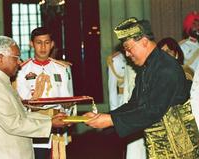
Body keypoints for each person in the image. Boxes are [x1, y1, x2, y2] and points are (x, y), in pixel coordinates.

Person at [84, 17, 198, 158]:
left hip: (178, 148)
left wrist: (110, 120)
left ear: (144, 42)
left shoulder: (166, 67)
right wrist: (105, 117)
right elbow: (135, 104)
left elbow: (152, 110)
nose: (127, 54)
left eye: (129, 48)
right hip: (160, 147)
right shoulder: (148, 67)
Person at [0, 35, 69, 159]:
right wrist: (50, 124)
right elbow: (14, 123)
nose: (20, 62)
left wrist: (51, 118)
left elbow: (21, 114)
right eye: (16, 58)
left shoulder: (0, 81)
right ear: (0, 58)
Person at [15, 27, 74, 159]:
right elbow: (23, 102)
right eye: (38, 42)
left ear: (52, 44)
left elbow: (66, 98)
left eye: (47, 42)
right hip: (35, 126)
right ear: (31, 44)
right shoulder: (22, 70)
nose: (43, 47)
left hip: (57, 127)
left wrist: (68, 116)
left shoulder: (61, 68)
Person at [107, 49, 146, 159]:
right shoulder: (116, 60)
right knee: (130, 146)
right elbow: (112, 89)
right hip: (125, 105)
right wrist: (114, 115)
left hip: (141, 107)